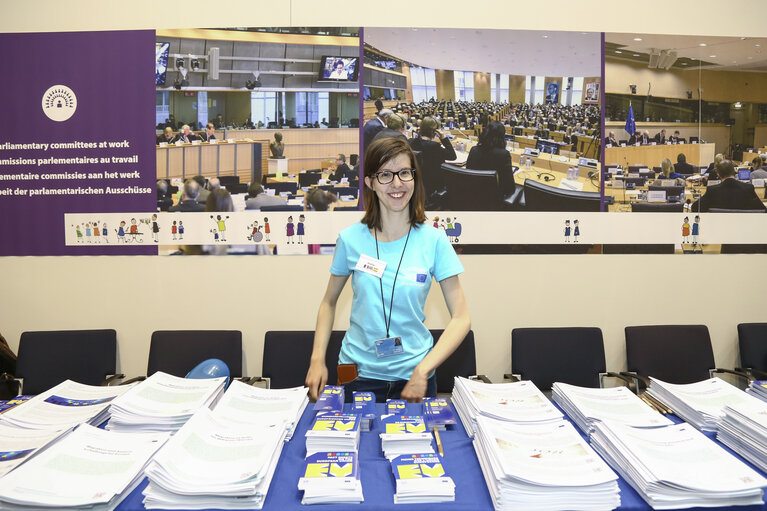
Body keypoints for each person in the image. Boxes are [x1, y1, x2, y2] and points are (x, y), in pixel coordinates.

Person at [304, 137, 470, 403]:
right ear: (370, 182)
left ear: (414, 178)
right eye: (385, 174)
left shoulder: (434, 240)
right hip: (355, 373)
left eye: (404, 172)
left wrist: (424, 369)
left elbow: (461, 318)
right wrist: (316, 359)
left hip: (416, 376)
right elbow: (328, 302)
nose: (396, 183)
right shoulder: (350, 239)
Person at [408, 116, 456, 199]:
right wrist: (443, 138)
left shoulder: (411, 142)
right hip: (433, 186)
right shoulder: (434, 146)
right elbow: (452, 156)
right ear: (435, 131)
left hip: (415, 182)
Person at [691, 160, 767, 212]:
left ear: (718, 174)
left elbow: (694, 208)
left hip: (718, 229)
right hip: (743, 230)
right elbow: (762, 210)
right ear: (734, 171)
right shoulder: (748, 188)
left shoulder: (712, 190)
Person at [465, 120, 515, 197]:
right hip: (494, 197)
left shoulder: (473, 150)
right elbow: (510, 188)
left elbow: (468, 172)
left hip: (473, 193)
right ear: (502, 137)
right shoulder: (504, 154)